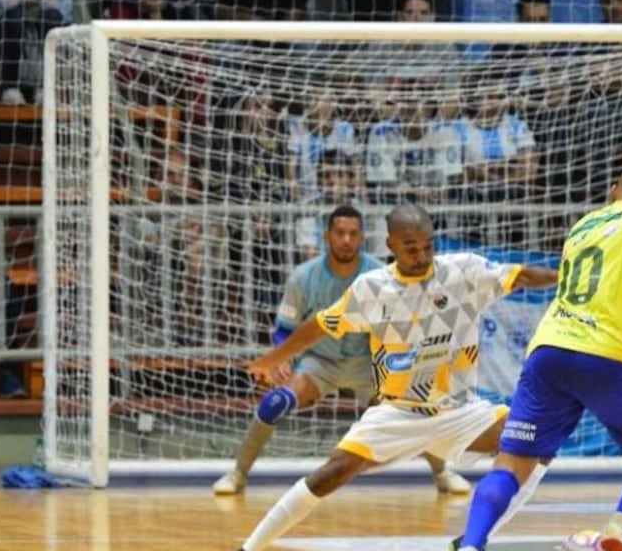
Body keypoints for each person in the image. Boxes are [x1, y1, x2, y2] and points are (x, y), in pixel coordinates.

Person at [234, 204, 559, 551]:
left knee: (537, 443)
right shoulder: (371, 288)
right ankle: (249, 547)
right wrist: (274, 358)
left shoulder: (464, 271)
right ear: (391, 245)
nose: (422, 256)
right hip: (398, 412)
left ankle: (472, 539)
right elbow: (321, 324)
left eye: (428, 246)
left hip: (461, 410)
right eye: (411, 248)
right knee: (330, 474)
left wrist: (567, 276)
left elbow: (523, 276)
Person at [454, 163, 622, 551]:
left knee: (512, 463)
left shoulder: (584, 225)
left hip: (548, 349)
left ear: (612, 190)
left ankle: (471, 545)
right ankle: (621, 527)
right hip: (602, 350)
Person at [213, 204, 470, 495]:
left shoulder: (381, 276)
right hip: (319, 362)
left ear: (362, 238)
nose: (346, 240)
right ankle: (237, 474)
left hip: (367, 362)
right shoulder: (303, 277)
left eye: (353, 234)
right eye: (340, 233)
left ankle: (443, 473)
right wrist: (280, 358)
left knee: (413, 406)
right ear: (327, 236)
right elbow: (285, 328)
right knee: (275, 402)